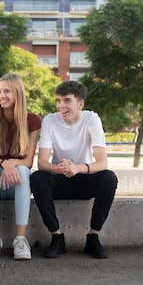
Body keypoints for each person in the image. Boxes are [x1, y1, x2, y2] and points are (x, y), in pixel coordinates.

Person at [30, 81, 118, 259]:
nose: (61, 106)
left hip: (83, 179)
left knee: (109, 178)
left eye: (67, 100)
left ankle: (93, 237)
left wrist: (77, 168)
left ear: (80, 104)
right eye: (58, 100)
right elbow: (42, 162)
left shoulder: (91, 119)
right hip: (59, 179)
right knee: (37, 177)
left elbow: (102, 163)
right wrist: (60, 168)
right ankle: (57, 237)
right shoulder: (49, 120)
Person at [0, 74, 41, 260]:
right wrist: (3, 163)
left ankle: (20, 240)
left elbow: (29, 162)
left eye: (6, 91)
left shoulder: (33, 121)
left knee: (23, 170)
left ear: (17, 93)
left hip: (17, 184)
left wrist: (14, 163)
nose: (1, 96)